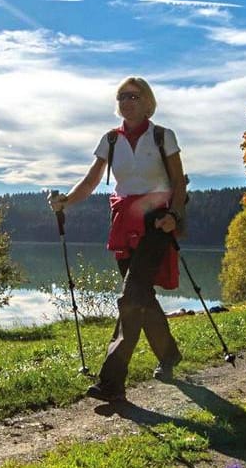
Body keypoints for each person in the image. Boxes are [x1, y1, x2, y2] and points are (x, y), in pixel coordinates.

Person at [47, 76, 187, 402]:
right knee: (141, 297)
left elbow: (179, 182)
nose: (127, 101)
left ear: (147, 101)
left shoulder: (163, 136)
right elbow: (93, 180)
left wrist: (175, 216)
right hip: (123, 222)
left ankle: (111, 383)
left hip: (156, 222)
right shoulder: (110, 140)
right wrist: (66, 200)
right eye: (122, 96)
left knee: (130, 297)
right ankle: (169, 356)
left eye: (134, 96)